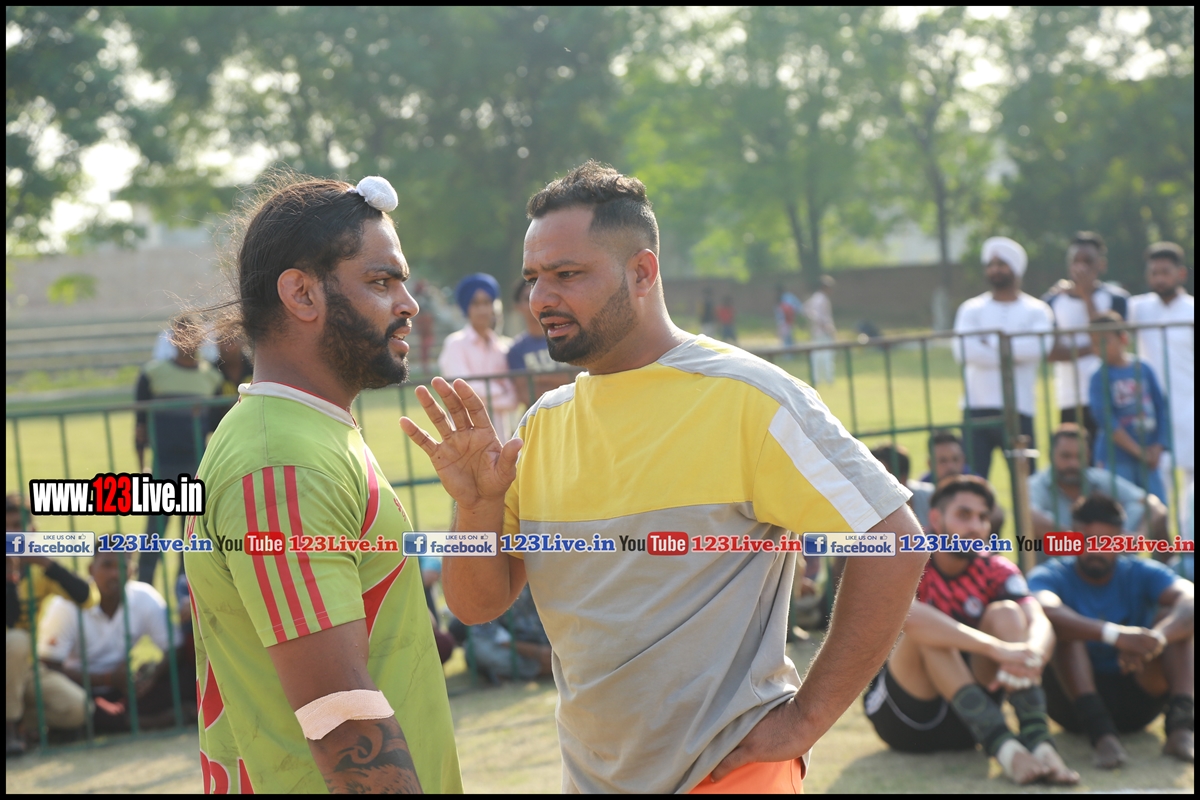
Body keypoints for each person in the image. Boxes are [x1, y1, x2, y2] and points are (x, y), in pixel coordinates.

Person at [401, 161, 927, 793]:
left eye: (567, 274)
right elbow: (475, 605)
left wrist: (806, 720)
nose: (540, 299)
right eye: (534, 278)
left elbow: (895, 540)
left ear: (643, 272)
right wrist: (474, 507)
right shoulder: (543, 425)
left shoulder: (747, 396)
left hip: (730, 772)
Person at [183, 175, 461, 792]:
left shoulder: (309, 432)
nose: (408, 304)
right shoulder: (282, 463)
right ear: (302, 294)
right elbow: (341, 716)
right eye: (382, 282)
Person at [864, 476, 1078, 785]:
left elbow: (1039, 620)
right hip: (906, 720)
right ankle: (1007, 750)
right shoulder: (910, 558)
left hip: (970, 721)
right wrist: (997, 649)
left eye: (982, 517)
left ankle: (1039, 742)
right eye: (964, 515)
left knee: (1007, 612)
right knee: (928, 632)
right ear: (936, 518)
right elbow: (906, 616)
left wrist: (1031, 652)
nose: (975, 526)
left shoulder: (997, 568)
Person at [1030, 493, 1194, 767]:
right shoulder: (1051, 574)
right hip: (1071, 707)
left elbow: (1190, 599)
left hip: (1137, 696)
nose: (1095, 549)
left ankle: (1182, 728)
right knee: (1063, 628)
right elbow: (1042, 608)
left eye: (1106, 541)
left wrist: (1155, 640)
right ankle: (1102, 737)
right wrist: (1115, 635)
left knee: (1174, 619)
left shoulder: (1141, 572)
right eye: (1086, 540)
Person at [37, 551, 189, 732]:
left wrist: (151, 674)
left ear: (132, 571)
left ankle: (121, 721)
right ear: (91, 569)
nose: (115, 574)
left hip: (125, 687)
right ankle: (148, 721)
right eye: (107, 565)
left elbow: (174, 647)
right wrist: (107, 679)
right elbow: (49, 667)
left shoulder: (144, 597)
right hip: (80, 687)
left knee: (185, 675)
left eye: (122, 567)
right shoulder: (66, 605)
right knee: (79, 706)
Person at [953, 236, 1053, 480]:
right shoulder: (971, 308)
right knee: (973, 481)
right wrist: (1010, 349)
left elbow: (1039, 348)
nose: (995, 270)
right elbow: (964, 351)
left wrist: (990, 342)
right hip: (976, 408)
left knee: (1025, 482)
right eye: (991, 265)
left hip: (1018, 408)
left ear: (1016, 269)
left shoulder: (1036, 310)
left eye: (1002, 264)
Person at [135, 313, 224, 586]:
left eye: (193, 334)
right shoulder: (152, 374)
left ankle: (185, 599)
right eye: (181, 333)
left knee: (192, 540)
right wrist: (142, 467)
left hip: (197, 468)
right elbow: (139, 427)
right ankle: (144, 592)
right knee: (153, 537)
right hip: (162, 466)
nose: (187, 340)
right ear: (172, 338)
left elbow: (217, 428)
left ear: (201, 339)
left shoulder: (212, 378)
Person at [6, 496, 91, 755]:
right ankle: (10, 731)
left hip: (26, 669)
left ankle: (21, 723)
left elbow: (86, 598)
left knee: (78, 708)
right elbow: (10, 619)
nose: (11, 534)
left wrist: (46, 562)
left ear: (32, 530)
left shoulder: (38, 570)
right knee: (15, 640)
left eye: (17, 526)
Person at [1028, 424, 1169, 563]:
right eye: (1066, 456)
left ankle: (1170, 569)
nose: (1073, 464)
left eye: (1079, 456)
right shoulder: (1036, 485)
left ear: (1088, 455)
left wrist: (1138, 536)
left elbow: (1155, 506)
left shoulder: (1099, 479)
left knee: (1139, 509)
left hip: (1109, 563)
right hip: (1055, 567)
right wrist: (1083, 539)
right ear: (1050, 455)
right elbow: (1028, 517)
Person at [1044, 232, 1129, 462]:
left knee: (1112, 462)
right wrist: (1091, 349)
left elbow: (1108, 341)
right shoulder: (1052, 301)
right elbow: (1051, 352)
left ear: (1101, 265)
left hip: (1112, 394)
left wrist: (1086, 296)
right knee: (1077, 462)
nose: (1081, 268)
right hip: (1071, 396)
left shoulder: (1117, 299)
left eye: (1088, 261)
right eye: (1076, 261)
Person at [1129, 241, 1194, 524]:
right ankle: (1163, 545)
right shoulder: (1139, 308)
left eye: (1165, 272)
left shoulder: (1191, 309)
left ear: (1181, 274)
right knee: (1158, 487)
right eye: (1154, 273)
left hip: (1190, 406)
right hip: (1152, 411)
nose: (1159, 279)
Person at [1088, 311, 1170, 503]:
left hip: (1149, 456)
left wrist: (1158, 446)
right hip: (1116, 458)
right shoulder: (1099, 376)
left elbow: (1161, 408)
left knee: (1157, 507)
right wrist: (1138, 452)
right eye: (1094, 343)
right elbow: (1106, 419)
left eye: (1104, 342)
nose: (1098, 348)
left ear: (1123, 338)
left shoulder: (1144, 368)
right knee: (1122, 508)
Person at [439, 272, 519, 440]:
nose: (482, 309)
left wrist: (482, 394)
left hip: (500, 436)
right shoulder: (455, 344)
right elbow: (462, 389)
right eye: (475, 303)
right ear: (466, 308)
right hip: (467, 436)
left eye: (487, 302)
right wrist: (498, 390)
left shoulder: (501, 348)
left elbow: (513, 399)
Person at [506, 279, 574, 407]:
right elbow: (526, 395)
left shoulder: (565, 335)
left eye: (537, 296)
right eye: (527, 298)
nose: (533, 302)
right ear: (517, 307)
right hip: (540, 414)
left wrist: (538, 378)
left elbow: (580, 377)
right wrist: (563, 379)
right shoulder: (516, 350)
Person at [466, 586, 553, 683]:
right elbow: (495, 636)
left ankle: (510, 673)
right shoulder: (487, 587)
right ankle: (541, 669)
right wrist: (536, 652)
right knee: (477, 648)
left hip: (543, 639)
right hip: (510, 647)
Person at [870, 443, 935, 532]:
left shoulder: (932, 498)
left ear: (903, 478)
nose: (874, 484)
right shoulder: (868, 513)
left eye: (881, 479)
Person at [208, 334, 254, 429]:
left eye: (231, 340)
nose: (226, 346)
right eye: (221, 341)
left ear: (243, 341)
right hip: (223, 429)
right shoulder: (210, 372)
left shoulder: (255, 369)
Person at [804, 275, 837, 385]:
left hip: (816, 331)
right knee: (826, 355)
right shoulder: (822, 299)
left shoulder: (815, 297)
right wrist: (825, 326)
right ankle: (828, 378)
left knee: (817, 356)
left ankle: (817, 378)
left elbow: (806, 310)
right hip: (823, 331)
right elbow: (817, 315)